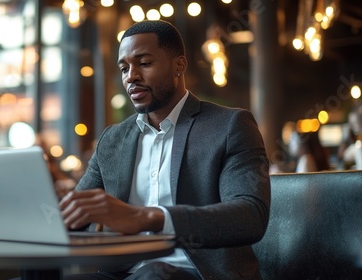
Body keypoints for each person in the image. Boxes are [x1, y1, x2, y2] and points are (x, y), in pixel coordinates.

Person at [60, 20, 270, 280]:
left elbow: (249, 216)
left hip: (201, 273)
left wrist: (149, 217)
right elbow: (73, 216)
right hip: (124, 273)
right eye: (124, 68)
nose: (131, 77)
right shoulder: (113, 139)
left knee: (154, 274)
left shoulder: (229, 126)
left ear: (179, 66)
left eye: (144, 63)